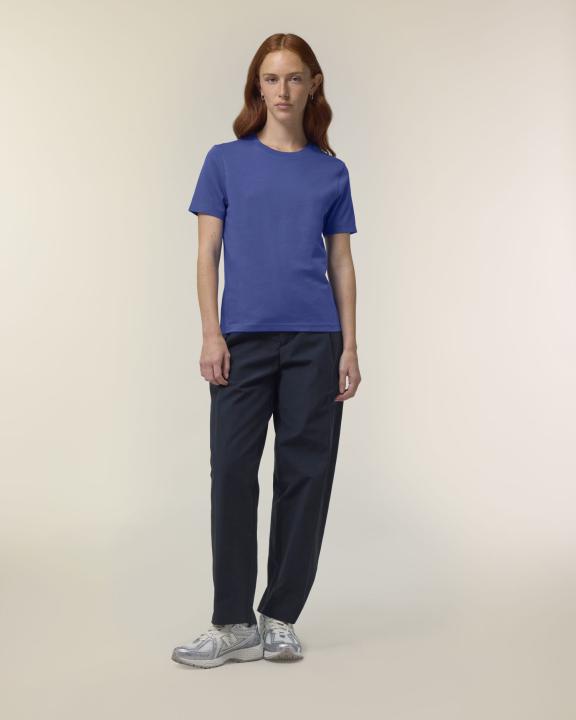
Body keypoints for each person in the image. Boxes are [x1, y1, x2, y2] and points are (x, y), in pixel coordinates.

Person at [172, 32, 361, 669]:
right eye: (272, 78)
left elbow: (341, 261)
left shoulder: (331, 172)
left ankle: (279, 616)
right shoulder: (224, 161)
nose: (283, 90)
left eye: (295, 78)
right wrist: (211, 332)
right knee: (231, 471)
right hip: (243, 341)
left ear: (313, 86)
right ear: (258, 86)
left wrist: (350, 346)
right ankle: (232, 623)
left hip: (315, 340)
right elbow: (207, 253)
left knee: (306, 476)